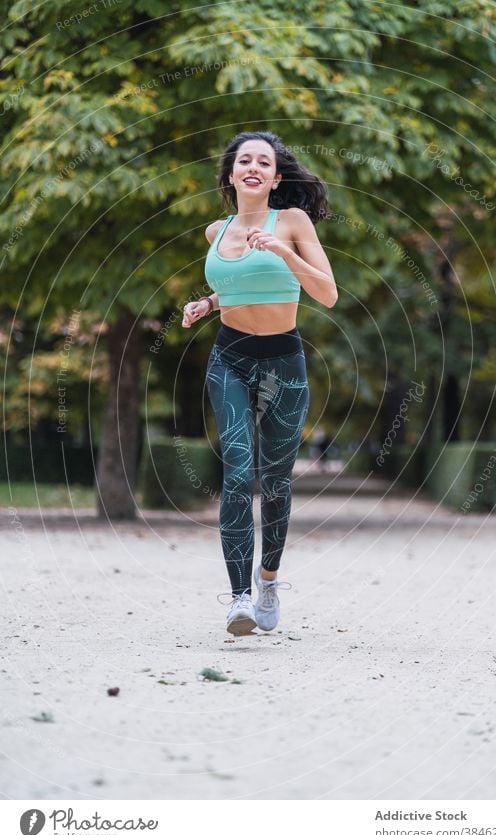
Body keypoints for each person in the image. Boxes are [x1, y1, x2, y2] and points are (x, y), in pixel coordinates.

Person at [182, 130, 338, 635]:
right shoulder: (215, 231)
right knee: (237, 473)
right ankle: (239, 598)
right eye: (243, 160)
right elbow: (236, 288)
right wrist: (206, 304)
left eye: (263, 162)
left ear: (274, 178)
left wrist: (285, 252)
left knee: (274, 481)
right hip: (229, 357)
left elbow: (328, 293)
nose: (253, 166)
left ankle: (269, 578)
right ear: (231, 175)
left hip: (283, 361)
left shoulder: (292, 221)